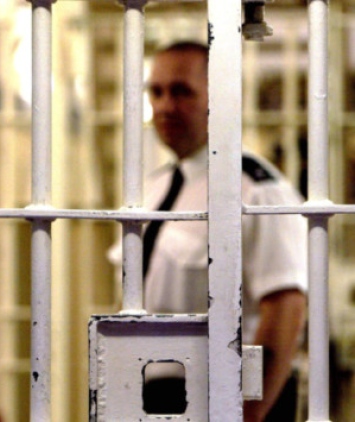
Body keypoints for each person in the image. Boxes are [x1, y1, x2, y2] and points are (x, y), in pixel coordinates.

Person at [109, 42, 307, 421]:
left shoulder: (256, 190)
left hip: (224, 394)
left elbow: (285, 306)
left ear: (220, 98)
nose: (165, 106)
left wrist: (247, 412)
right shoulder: (152, 189)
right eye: (156, 92)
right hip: (153, 391)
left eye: (181, 92)